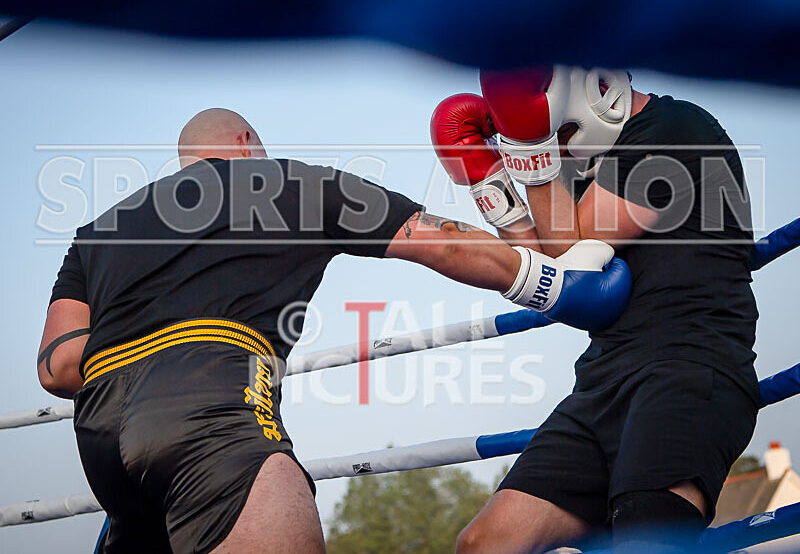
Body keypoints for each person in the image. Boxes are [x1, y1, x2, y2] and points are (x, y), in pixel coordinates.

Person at [37, 108, 629, 554]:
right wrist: (549, 282)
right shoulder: (288, 183)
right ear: (246, 146)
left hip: (103, 442)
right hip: (210, 416)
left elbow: (57, 368)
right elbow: (440, 241)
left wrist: (150, 337)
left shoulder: (99, 230)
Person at [431, 66, 758, 553]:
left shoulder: (676, 129)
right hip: (601, 385)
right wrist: (492, 179)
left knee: (645, 534)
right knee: (484, 543)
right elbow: (549, 274)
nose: (555, 148)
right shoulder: (584, 169)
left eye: (553, 130)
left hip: (688, 369)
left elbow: (573, 262)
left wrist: (528, 147)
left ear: (593, 92)